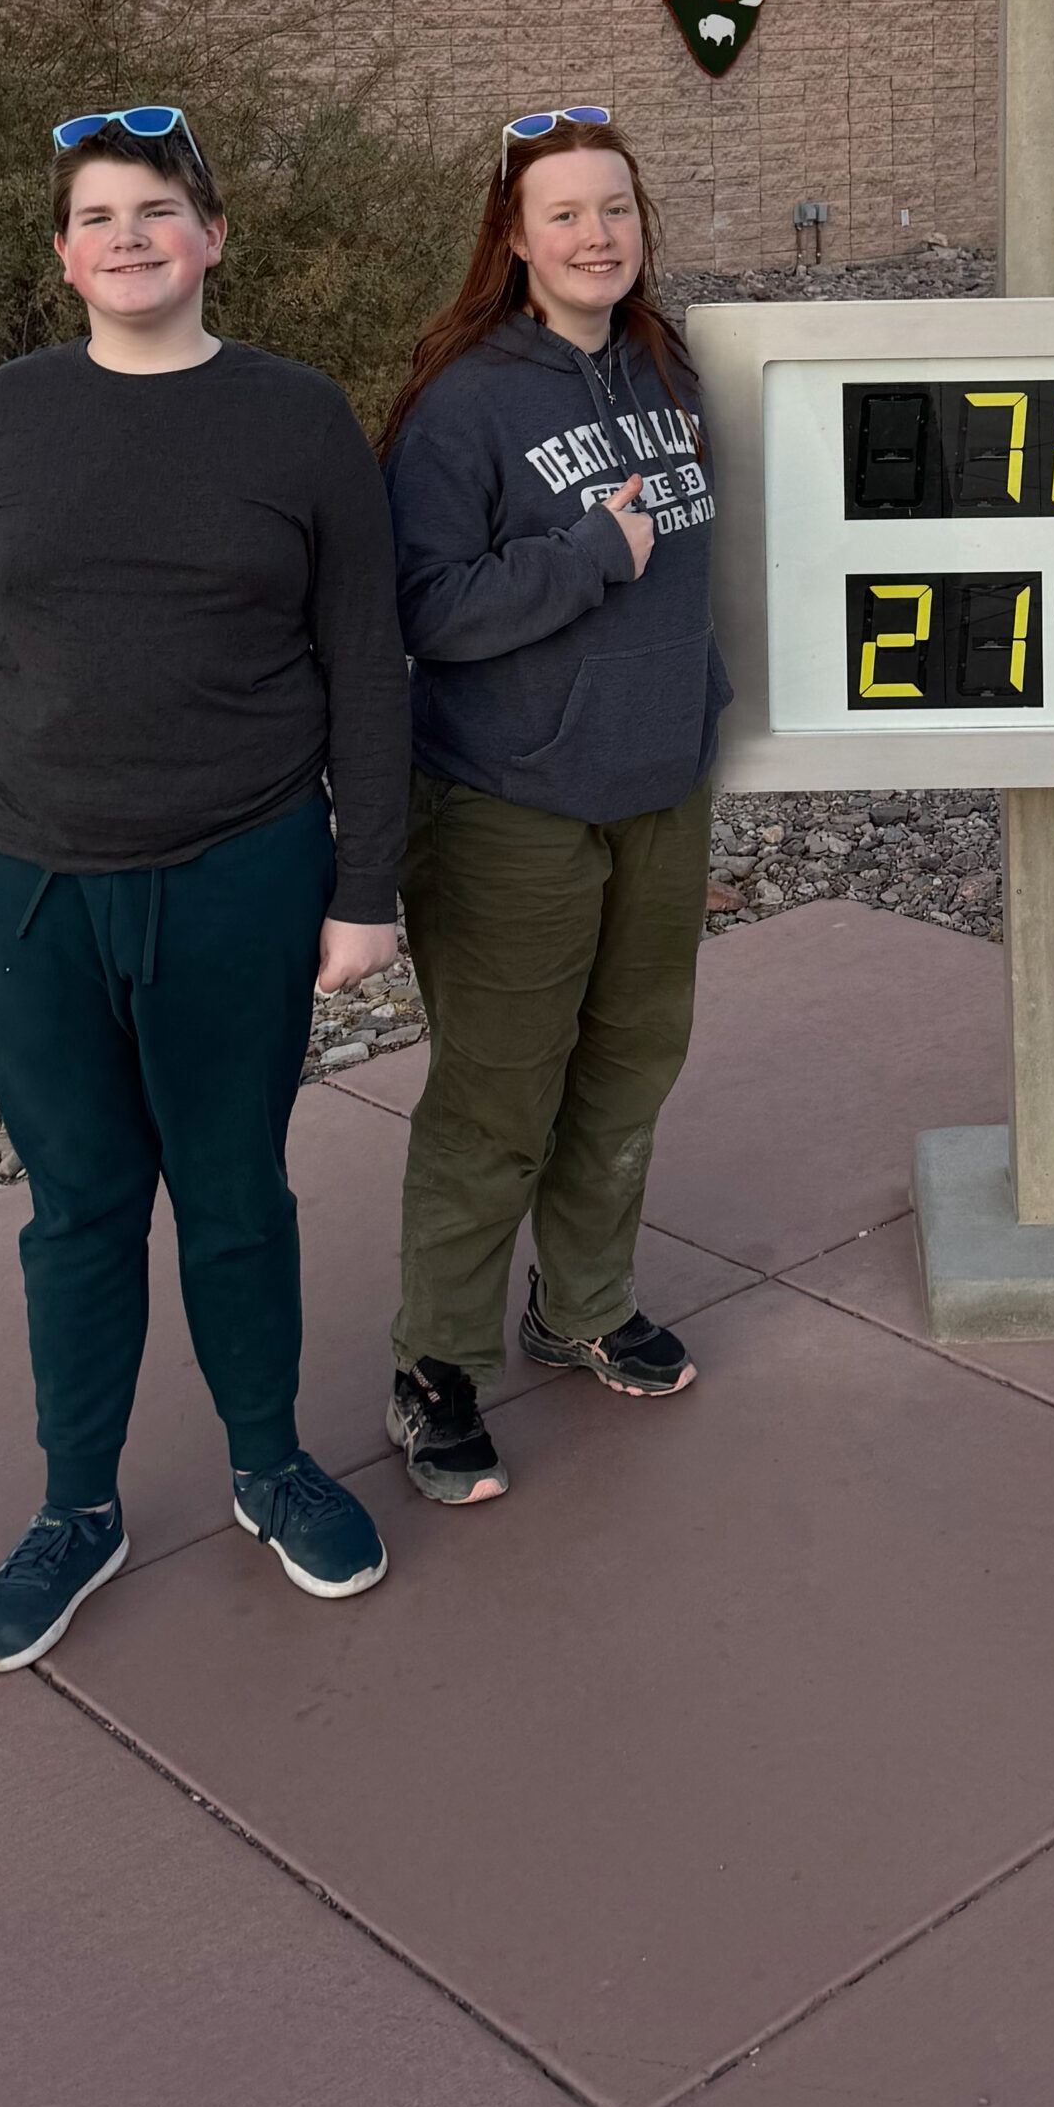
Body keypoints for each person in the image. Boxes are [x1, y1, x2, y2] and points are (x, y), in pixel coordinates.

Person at [0, 106, 413, 1671]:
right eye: (101, 215)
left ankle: (268, 1463)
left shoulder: (298, 418)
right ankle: (78, 1509)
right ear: (64, 256)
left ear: (213, 239)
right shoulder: (8, 415)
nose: (131, 236)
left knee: (236, 1193)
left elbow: (365, 665)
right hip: (31, 880)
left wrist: (365, 884)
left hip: (242, 872)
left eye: (160, 209)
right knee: (80, 1210)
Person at [376, 104, 726, 1506]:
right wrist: (586, 557)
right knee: (497, 1096)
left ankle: (581, 1304)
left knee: (630, 1067)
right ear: (513, 240)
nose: (598, 235)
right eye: (568, 213)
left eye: (618, 209)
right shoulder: (464, 400)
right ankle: (436, 1365)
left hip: (657, 792)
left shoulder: (666, 368)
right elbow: (421, 606)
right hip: (508, 803)